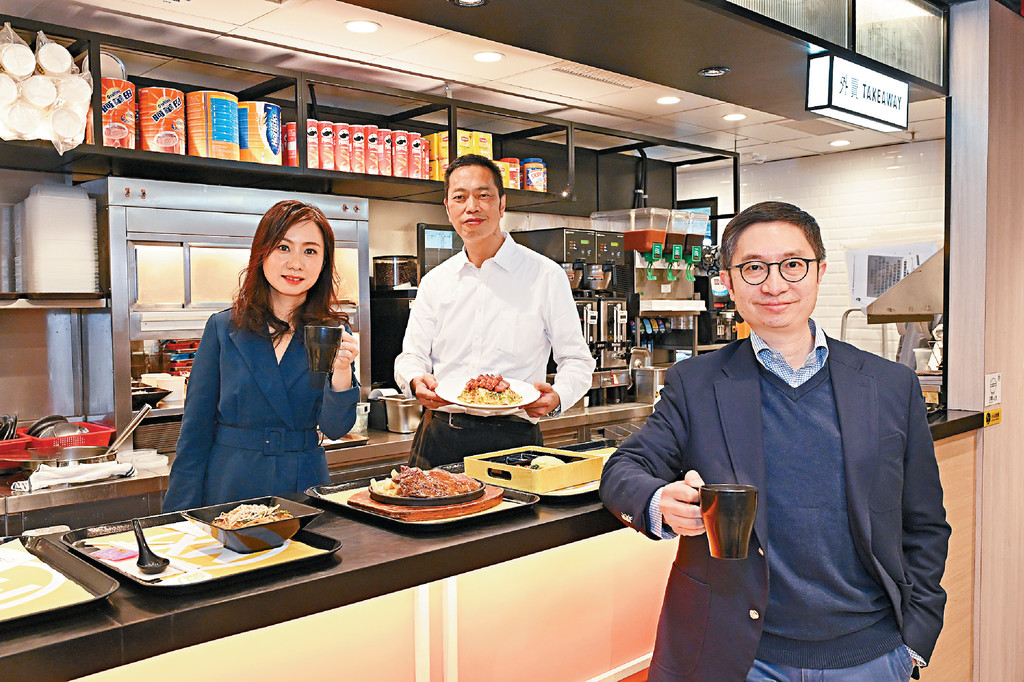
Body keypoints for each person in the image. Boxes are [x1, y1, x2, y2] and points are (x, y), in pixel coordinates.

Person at [600, 201, 949, 682]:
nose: (774, 284)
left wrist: (915, 641)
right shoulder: (696, 384)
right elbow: (623, 469)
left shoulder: (890, 384)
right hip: (736, 657)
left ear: (819, 271)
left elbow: (924, 523)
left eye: (792, 264)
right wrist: (659, 502)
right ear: (728, 281)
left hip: (870, 656)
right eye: (753, 268)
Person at [394, 154, 595, 469]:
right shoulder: (435, 281)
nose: (471, 206)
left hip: (514, 438)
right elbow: (411, 357)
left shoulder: (544, 275)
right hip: (439, 436)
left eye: (483, 195)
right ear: (448, 208)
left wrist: (557, 397)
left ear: (502, 204)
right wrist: (415, 380)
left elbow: (577, 360)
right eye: (459, 197)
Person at [163, 200, 360, 511]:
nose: (296, 263)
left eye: (310, 251)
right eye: (283, 247)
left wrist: (342, 372)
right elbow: (194, 434)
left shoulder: (331, 331)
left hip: (302, 486)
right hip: (231, 484)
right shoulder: (223, 328)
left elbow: (336, 428)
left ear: (324, 263)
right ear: (262, 253)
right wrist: (176, 517)